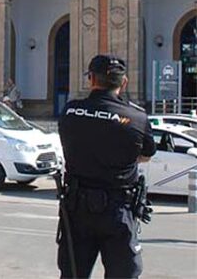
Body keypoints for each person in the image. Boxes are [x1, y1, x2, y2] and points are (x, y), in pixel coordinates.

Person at [57, 54, 156, 279]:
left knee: (72, 273)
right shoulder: (137, 118)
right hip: (118, 209)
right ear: (124, 83)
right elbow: (146, 155)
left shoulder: (71, 111)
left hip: (77, 209)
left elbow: (70, 144)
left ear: (91, 79)